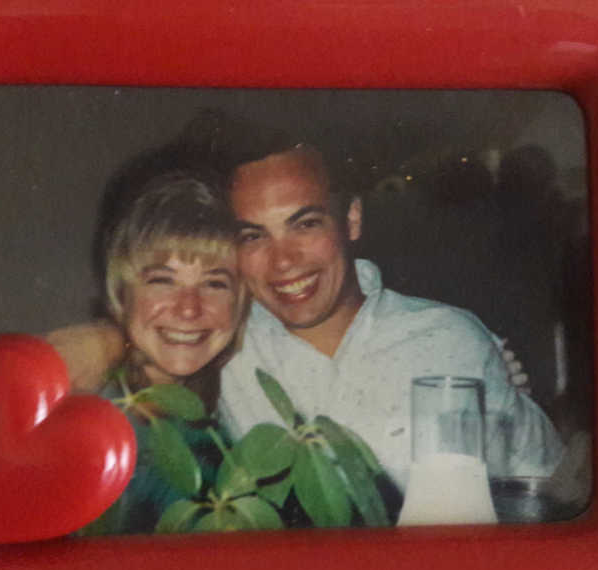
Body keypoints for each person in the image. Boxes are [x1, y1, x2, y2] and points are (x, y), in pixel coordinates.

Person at [216, 144, 565, 491]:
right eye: (253, 236)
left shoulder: (450, 342)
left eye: (305, 224)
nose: (283, 262)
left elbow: (546, 489)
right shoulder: (219, 344)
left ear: (351, 219)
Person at [71, 170, 248, 534]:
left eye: (215, 283)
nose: (188, 308)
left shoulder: (229, 415)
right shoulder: (91, 436)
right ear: (122, 294)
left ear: (240, 304)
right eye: (162, 280)